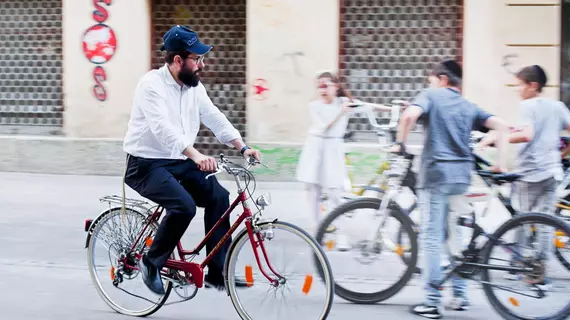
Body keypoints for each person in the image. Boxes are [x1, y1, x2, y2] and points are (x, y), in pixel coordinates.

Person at [122, 25, 261, 295]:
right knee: (183, 206)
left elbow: (213, 116)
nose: (202, 64)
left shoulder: (193, 87)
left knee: (219, 197)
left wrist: (242, 146)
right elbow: (163, 130)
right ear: (178, 61)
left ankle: (217, 274)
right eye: (196, 59)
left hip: (178, 161)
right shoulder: (151, 86)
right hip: (146, 164)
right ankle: (152, 262)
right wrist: (196, 156)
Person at [392, 60, 509, 319]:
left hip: (436, 176)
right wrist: (500, 163)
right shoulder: (468, 105)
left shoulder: (431, 95)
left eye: (431, 79)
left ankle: (432, 303)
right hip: (461, 178)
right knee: (454, 235)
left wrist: (400, 144)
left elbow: (409, 116)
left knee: (433, 237)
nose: (429, 84)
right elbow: (502, 125)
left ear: (442, 78)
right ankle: (460, 295)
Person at [478, 65, 570, 285]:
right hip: (551, 171)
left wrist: (498, 138)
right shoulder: (557, 106)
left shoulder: (528, 105)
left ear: (533, 85)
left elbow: (527, 135)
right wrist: (560, 153)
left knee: (521, 219)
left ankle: (518, 265)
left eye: (520, 84)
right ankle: (539, 269)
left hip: (530, 172)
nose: (518, 89)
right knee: (546, 222)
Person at [295, 70, 397, 226]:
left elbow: (368, 106)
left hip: (333, 149)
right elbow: (324, 128)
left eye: (325, 86)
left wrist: (393, 110)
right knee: (313, 192)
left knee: (336, 192)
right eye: (319, 87)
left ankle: (341, 232)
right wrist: (341, 112)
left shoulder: (344, 102)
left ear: (335, 86)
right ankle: (316, 231)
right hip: (315, 148)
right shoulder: (314, 106)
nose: (322, 90)